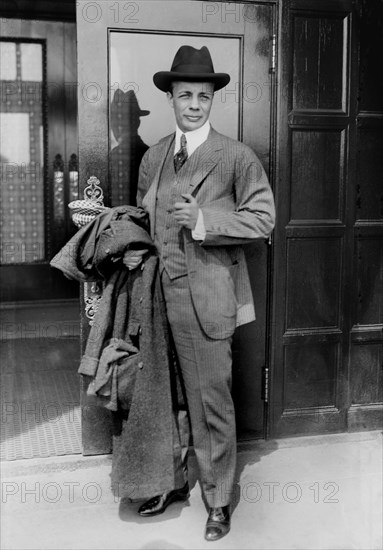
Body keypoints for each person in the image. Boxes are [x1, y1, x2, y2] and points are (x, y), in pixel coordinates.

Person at [123, 45, 275, 541]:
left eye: (203, 97)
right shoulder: (153, 157)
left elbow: (263, 219)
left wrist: (205, 221)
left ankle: (218, 499)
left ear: (213, 101)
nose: (194, 104)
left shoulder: (236, 156)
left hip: (208, 299)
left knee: (211, 401)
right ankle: (168, 482)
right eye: (185, 94)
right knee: (161, 396)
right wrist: (133, 247)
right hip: (158, 296)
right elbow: (145, 218)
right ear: (171, 97)